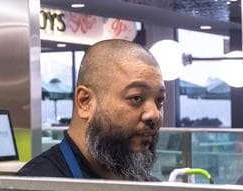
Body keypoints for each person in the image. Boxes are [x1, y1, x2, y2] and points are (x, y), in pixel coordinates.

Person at [16, 39, 164, 181]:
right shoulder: (37, 188)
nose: (154, 114)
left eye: (160, 100)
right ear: (85, 102)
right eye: (136, 98)